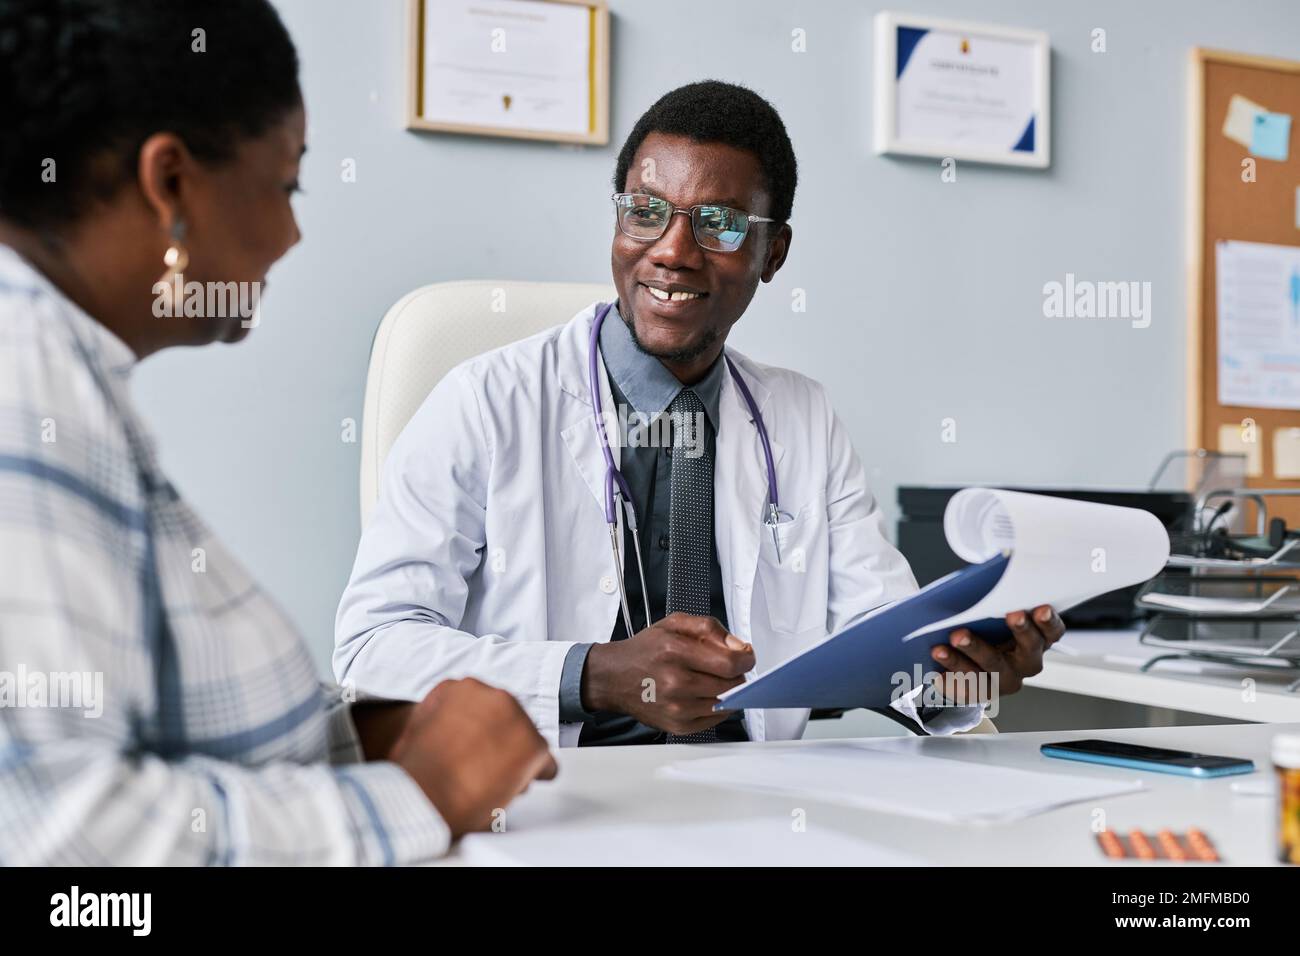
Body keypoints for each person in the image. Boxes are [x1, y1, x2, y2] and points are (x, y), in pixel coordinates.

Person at [335, 81, 1066, 748]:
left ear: (771, 252)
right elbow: (371, 649)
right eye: (646, 212)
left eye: (717, 223)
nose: (673, 252)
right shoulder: (485, 400)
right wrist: (592, 674)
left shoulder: (801, 416)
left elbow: (882, 639)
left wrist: (958, 673)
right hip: (550, 804)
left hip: (752, 802)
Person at [0, 0, 554, 866]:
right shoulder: (22, 377)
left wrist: (352, 739)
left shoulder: (62, 366)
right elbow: (63, 835)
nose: (294, 233)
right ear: (171, 183)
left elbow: (150, 727)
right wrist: (422, 795)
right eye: (286, 183)